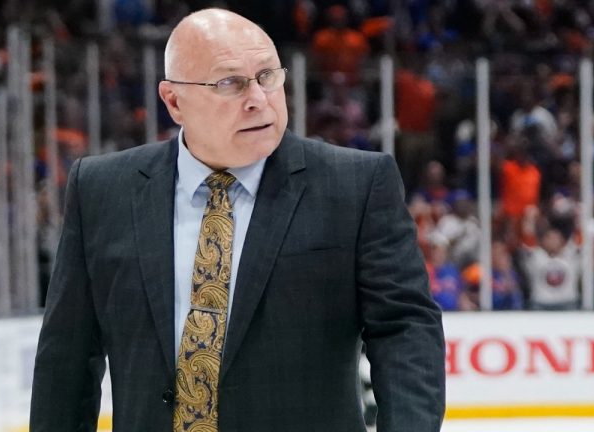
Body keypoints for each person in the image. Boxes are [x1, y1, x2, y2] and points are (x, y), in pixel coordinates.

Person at [30, 8, 445, 432]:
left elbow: (404, 328)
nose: (258, 99)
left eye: (268, 76)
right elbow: (68, 354)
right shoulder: (102, 190)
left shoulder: (355, 185)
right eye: (230, 83)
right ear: (174, 100)